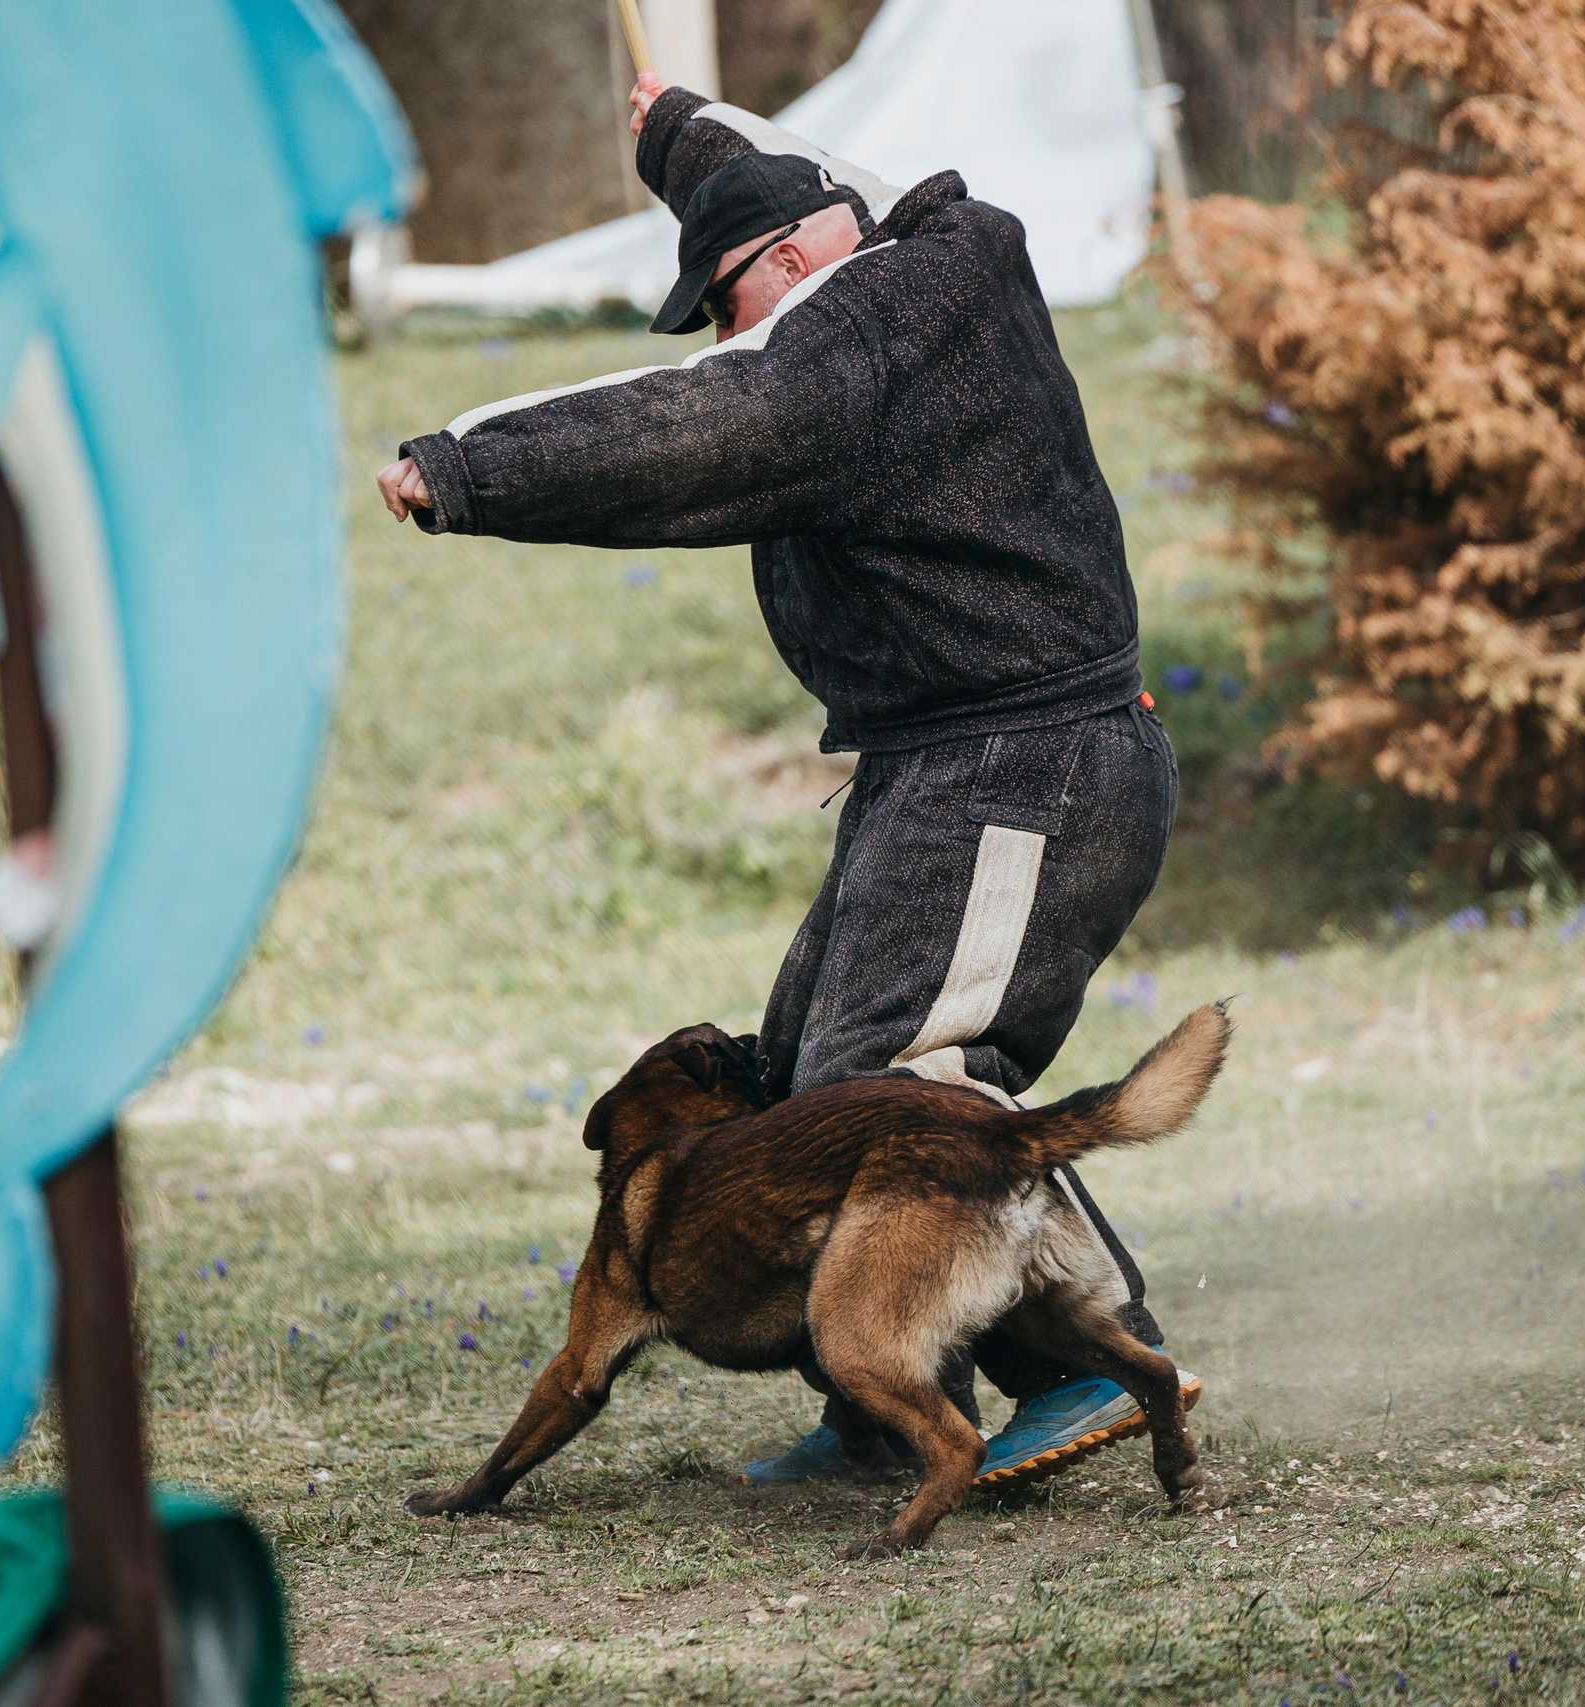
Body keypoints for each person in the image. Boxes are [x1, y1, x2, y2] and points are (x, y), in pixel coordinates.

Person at [378, 73, 1192, 1489]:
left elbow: (698, 426)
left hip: (1032, 764)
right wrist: (674, 133)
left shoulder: (867, 328)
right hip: (941, 760)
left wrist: (471, 469)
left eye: (732, 300)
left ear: (807, 257)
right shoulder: (863, 287)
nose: (727, 332)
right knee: (808, 1081)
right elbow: (769, 200)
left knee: (908, 1084)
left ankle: (1094, 1366)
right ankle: (888, 1386)